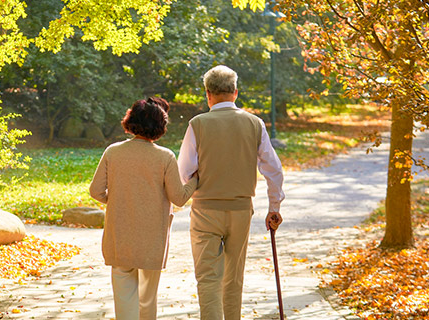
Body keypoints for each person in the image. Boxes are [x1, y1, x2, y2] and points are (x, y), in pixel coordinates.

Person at [177, 65, 285, 320]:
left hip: (205, 210)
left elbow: (184, 171)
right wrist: (274, 207)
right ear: (235, 93)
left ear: (208, 94)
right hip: (240, 211)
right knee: (234, 278)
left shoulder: (198, 124)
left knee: (208, 278)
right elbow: (274, 169)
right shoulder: (254, 123)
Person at [89, 97, 198, 320]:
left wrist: (119, 199)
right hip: (151, 239)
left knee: (123, 297)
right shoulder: (165, 157)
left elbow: (96, 191)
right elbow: (178, 198)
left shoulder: (113, 152)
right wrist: (195, 181)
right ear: (160, 127)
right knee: (147, 298)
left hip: (120, 237)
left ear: (131, 121)